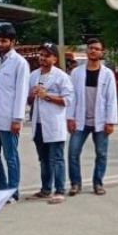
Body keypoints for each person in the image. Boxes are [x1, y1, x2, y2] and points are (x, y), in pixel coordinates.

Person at [66, 38, 118, 196]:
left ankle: (98, 183)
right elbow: (71, 97)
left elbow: (111, 99)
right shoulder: (76, 73)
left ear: (102, 52)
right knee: (73, 152)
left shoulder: (107, 74)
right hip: (80, 120)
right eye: (91, 48)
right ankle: (75, 183)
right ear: (87, 51)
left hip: (100, 122)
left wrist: (110, 121)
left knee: (101, 154)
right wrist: (70, 118)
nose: (93, 51)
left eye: (97, 49)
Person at [0, 25, 30, 203]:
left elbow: (21, 92)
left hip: (9, 118)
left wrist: (17, 119)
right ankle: (1, 188)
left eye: (4, 41)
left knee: (10, 156)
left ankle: (13, 191)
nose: (0, 44)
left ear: (13, 42)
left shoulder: (20, 63)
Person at [28, 43, 73, 204]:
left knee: (57, 158)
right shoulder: (34, 75)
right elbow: (29, 100)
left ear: (55, 58)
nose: (42, 58)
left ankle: (59, 190)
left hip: (54, 123)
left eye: (46, 55)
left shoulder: (61, 76)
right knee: (44, 158)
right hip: (38, 123)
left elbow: (68, 100)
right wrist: (32, 95)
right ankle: (46, 189)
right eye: (41, 55)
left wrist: (47, 96)